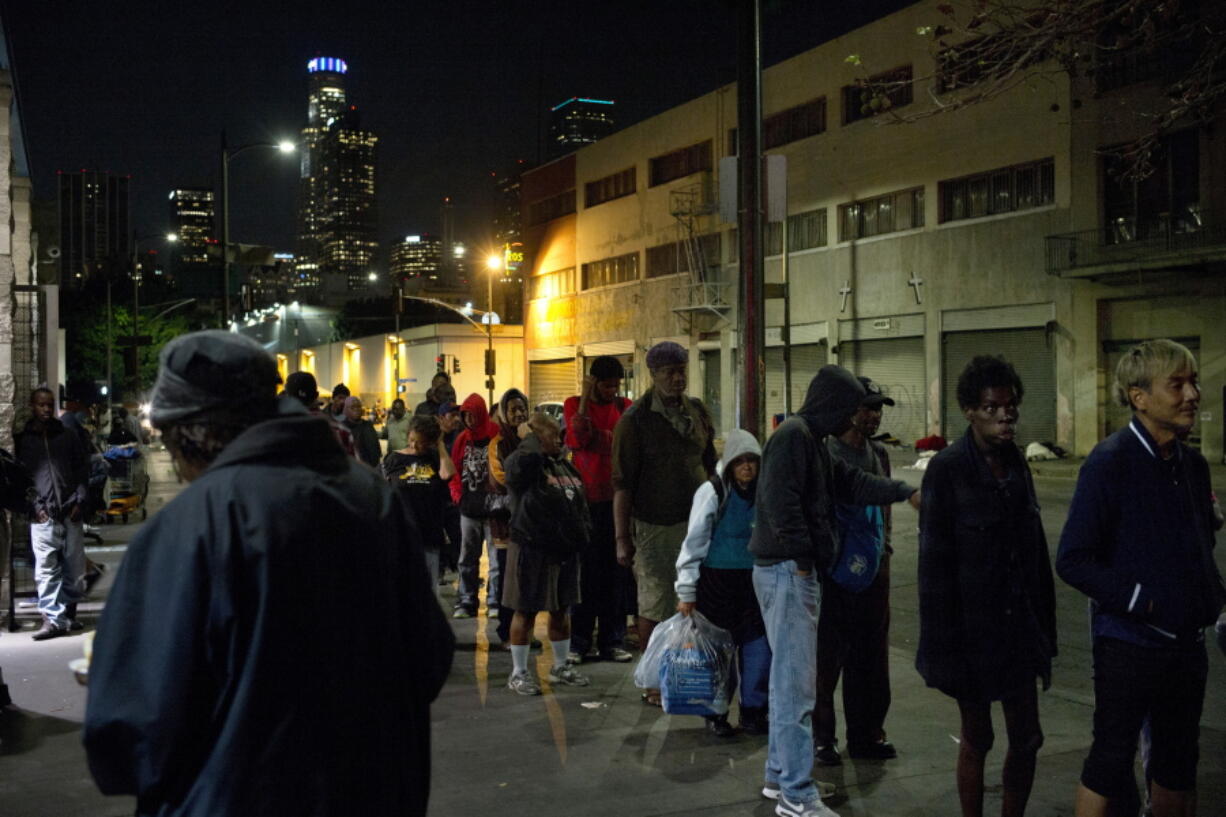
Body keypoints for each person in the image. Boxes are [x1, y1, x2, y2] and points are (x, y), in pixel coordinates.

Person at [83, 331, 453, 817]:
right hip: (379, 792)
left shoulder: (193, 526)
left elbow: (129, 736)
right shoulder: (371, 497)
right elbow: (429, 656)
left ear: (191, 435)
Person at [1056, 339, 1224, 817]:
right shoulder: (1110, 463)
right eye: (1177, 384)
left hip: (1185, 646)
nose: (1192, 393)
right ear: (1139, 397)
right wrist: (1142, 602)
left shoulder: (1191, 464)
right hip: (1129, 644)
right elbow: (1073, 558)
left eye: (1192, 381)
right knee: (1109, 762)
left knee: (1176, 767)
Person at [750, 365, 920, 817]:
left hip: (791, 570)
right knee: (796, 688)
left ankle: (778, 777)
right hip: (789, 572)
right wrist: (805, 560)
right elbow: (779, 502)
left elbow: (851, 483)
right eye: (847, 410)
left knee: (791, 683)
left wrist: (903, 491)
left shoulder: (812, 441)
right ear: (829, 404)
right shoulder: (793, 437)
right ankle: (797, 795)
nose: (852, 420)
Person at [916, 356, 1057, 817]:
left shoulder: (1017, 463)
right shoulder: (948, 468)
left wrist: (1044, 635)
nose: (1005, 416)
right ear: (970, 411)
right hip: (970, 636)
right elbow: (933, 568)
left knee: (1028, 738)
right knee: (979, 736)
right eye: (993, 408)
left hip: (1018, 632)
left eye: (1011, 407)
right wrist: (944, 648)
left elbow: (1034, 555)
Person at [613, 341, 716, 705]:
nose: (677, 378)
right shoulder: (635, 420)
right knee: (655, 605)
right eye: (669, 372)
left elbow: (711, 464)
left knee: (693, 601)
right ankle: (654, 680)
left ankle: (685, 673)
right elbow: (622, 484)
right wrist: (622, 538)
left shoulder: (697, 412)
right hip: (654, 525)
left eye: (682, 370)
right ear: (653, 374)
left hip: (699, 525)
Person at [814, 377, 902, 765]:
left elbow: (884, 508)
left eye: (878, 407)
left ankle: (866, 735)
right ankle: (821, 739)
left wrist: (884, 551)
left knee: (870, 659)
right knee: (826, 660)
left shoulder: (879, 454)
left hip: (873, 571)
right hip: (832, 573)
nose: (874, 415)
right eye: (867, 407)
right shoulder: (824, 452)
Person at [675, 428, 769, 737]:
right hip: (716, 585)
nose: (746, 467)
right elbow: (693, 543)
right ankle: (716, 713)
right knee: (720, 654)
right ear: (728, 463)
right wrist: (686, 590)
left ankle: (754, 712)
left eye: (752, 461)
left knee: (758, 649)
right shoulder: (713, 492)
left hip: (754, 584)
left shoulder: (765, 492)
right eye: (739, 461)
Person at [501, 412, 591, 694]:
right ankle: (519, 673)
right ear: (536, 437)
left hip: (563, 552)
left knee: (562, 608)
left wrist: (582, 534)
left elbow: (579, 502)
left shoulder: (562, 466)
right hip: (531, 549)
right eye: (552, 434)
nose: (559, 439)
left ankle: (560, 667)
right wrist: (530, 440)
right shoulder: (522, 462)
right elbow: (517, 471)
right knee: (525, 611)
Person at [564, 356, 633, 664]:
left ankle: (612, 640)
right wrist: (584, 400)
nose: (612, 391)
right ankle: (578, 642)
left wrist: (600, 438)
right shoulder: (573, 403)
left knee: (615, 576)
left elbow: (624, 444)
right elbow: (578, 438)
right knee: (585, 577)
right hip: (585, 503)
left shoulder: (625, 406)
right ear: (593, 382)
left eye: (615, 386)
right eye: (606, 386)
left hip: (617, 502)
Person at [15, 387, 91, 640]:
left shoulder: (67, 436)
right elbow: (20, 480)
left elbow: (82, 469)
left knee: (74, 567)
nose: (46, 409)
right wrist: (35, 507)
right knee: (46, 570)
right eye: (41, 405)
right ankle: (52, 619)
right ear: (32, 406)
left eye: (49, 405)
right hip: (43, 514)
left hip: (70, 510)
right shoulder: (24, 440)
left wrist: (79, 499)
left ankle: (69, 615)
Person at [383, 414, 456, 589]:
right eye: (411, 439)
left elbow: (447, 474)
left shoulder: (434, 457)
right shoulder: (393, 459)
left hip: (429, 533)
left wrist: (439, 444)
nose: (414, 445)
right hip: (402, 535)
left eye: (420, 442)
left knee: (428, 590)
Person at [449, 393, 501, 618]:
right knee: (467, 557)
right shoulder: (462, 439)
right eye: (465, 415)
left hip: (494, 510)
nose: (469, 419)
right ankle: (467, 601)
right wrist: (457, 495)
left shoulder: (496, 435)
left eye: (472, 414)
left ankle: (495, 601)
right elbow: (454, 471)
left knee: (496, 558)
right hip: (469, 509)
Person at [488, 388, 531, 637]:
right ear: (503, 413)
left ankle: (524, 632)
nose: (519, 413)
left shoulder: (532, 438)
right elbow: (501, 478)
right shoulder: (498, 444)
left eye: (522, 408)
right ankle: (506, 631)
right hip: (506, 525)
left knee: (526, 580)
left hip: (530, 523)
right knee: (507, 578)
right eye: (513, 409)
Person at [283, 371, 355, 457]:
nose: (342, 401)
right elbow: (355, 466)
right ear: (315, 395)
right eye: (340, 398)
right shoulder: (340, 430)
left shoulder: (279, 431)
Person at [438, 400, 463, 576]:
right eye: (451, 415)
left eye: (457, 415)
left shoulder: (461, 437)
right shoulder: (433, 440)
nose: (456, 419)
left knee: (458, 538)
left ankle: (457, 569)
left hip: (455, 499)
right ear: (441, 418)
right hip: (438, 498)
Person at [344, 396, 382, 468]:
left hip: (371, 470)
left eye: (358, 406)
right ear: (345, 410)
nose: (356, 409)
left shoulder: (368, 425)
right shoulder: (342, 428)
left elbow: (376, 447)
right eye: (353, 407)